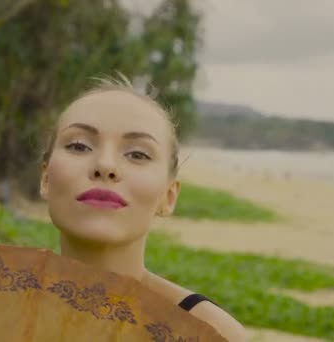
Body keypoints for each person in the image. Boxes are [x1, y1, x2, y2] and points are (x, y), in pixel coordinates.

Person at [38, 73, 246, 341]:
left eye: (138, 154)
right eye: (79, 146)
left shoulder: (208, 333)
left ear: (169, 196)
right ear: (45, 178)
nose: (106, 166)